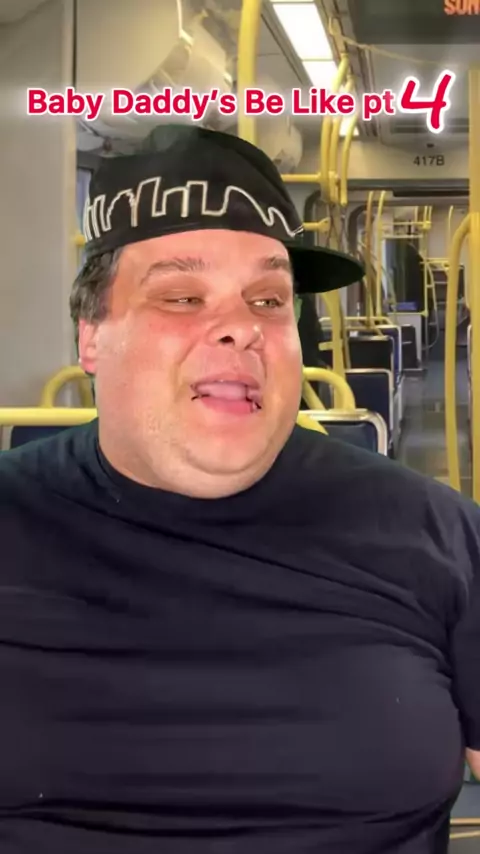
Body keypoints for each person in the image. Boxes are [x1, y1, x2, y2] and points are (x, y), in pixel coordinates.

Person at [0, 124, 479, 854]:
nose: (239, 329)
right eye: (181, 296)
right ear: (91, 335)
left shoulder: (438, 533)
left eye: (268, 300)